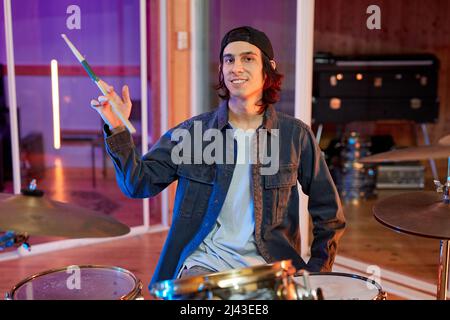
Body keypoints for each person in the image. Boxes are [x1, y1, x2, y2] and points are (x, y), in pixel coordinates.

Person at [90, 26, 345, 288]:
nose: (236, 67)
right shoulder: (192, 134)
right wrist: (116, 126)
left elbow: (329, 214)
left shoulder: (295, 136)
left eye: (248, 58)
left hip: (272, 267)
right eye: (229, 59)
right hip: (205, 264)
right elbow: (137, 184)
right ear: (222, 70)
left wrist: (318, 272)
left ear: (267, 69)